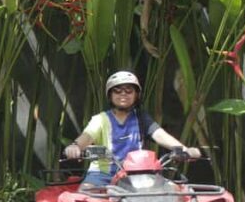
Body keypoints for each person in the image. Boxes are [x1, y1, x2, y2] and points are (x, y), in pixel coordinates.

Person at [64, 71, 201, 186]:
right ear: (110, 95)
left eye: (129, 90)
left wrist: (184, 149)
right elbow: (87, 136)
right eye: (117, 90)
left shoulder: (142, 118)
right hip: (102, 175)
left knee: (172, 192)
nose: (123, 94)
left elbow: (160, 135)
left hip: (137, 174)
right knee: (86, 195)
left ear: (136, 95)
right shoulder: (100, 119)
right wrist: (75, 146)